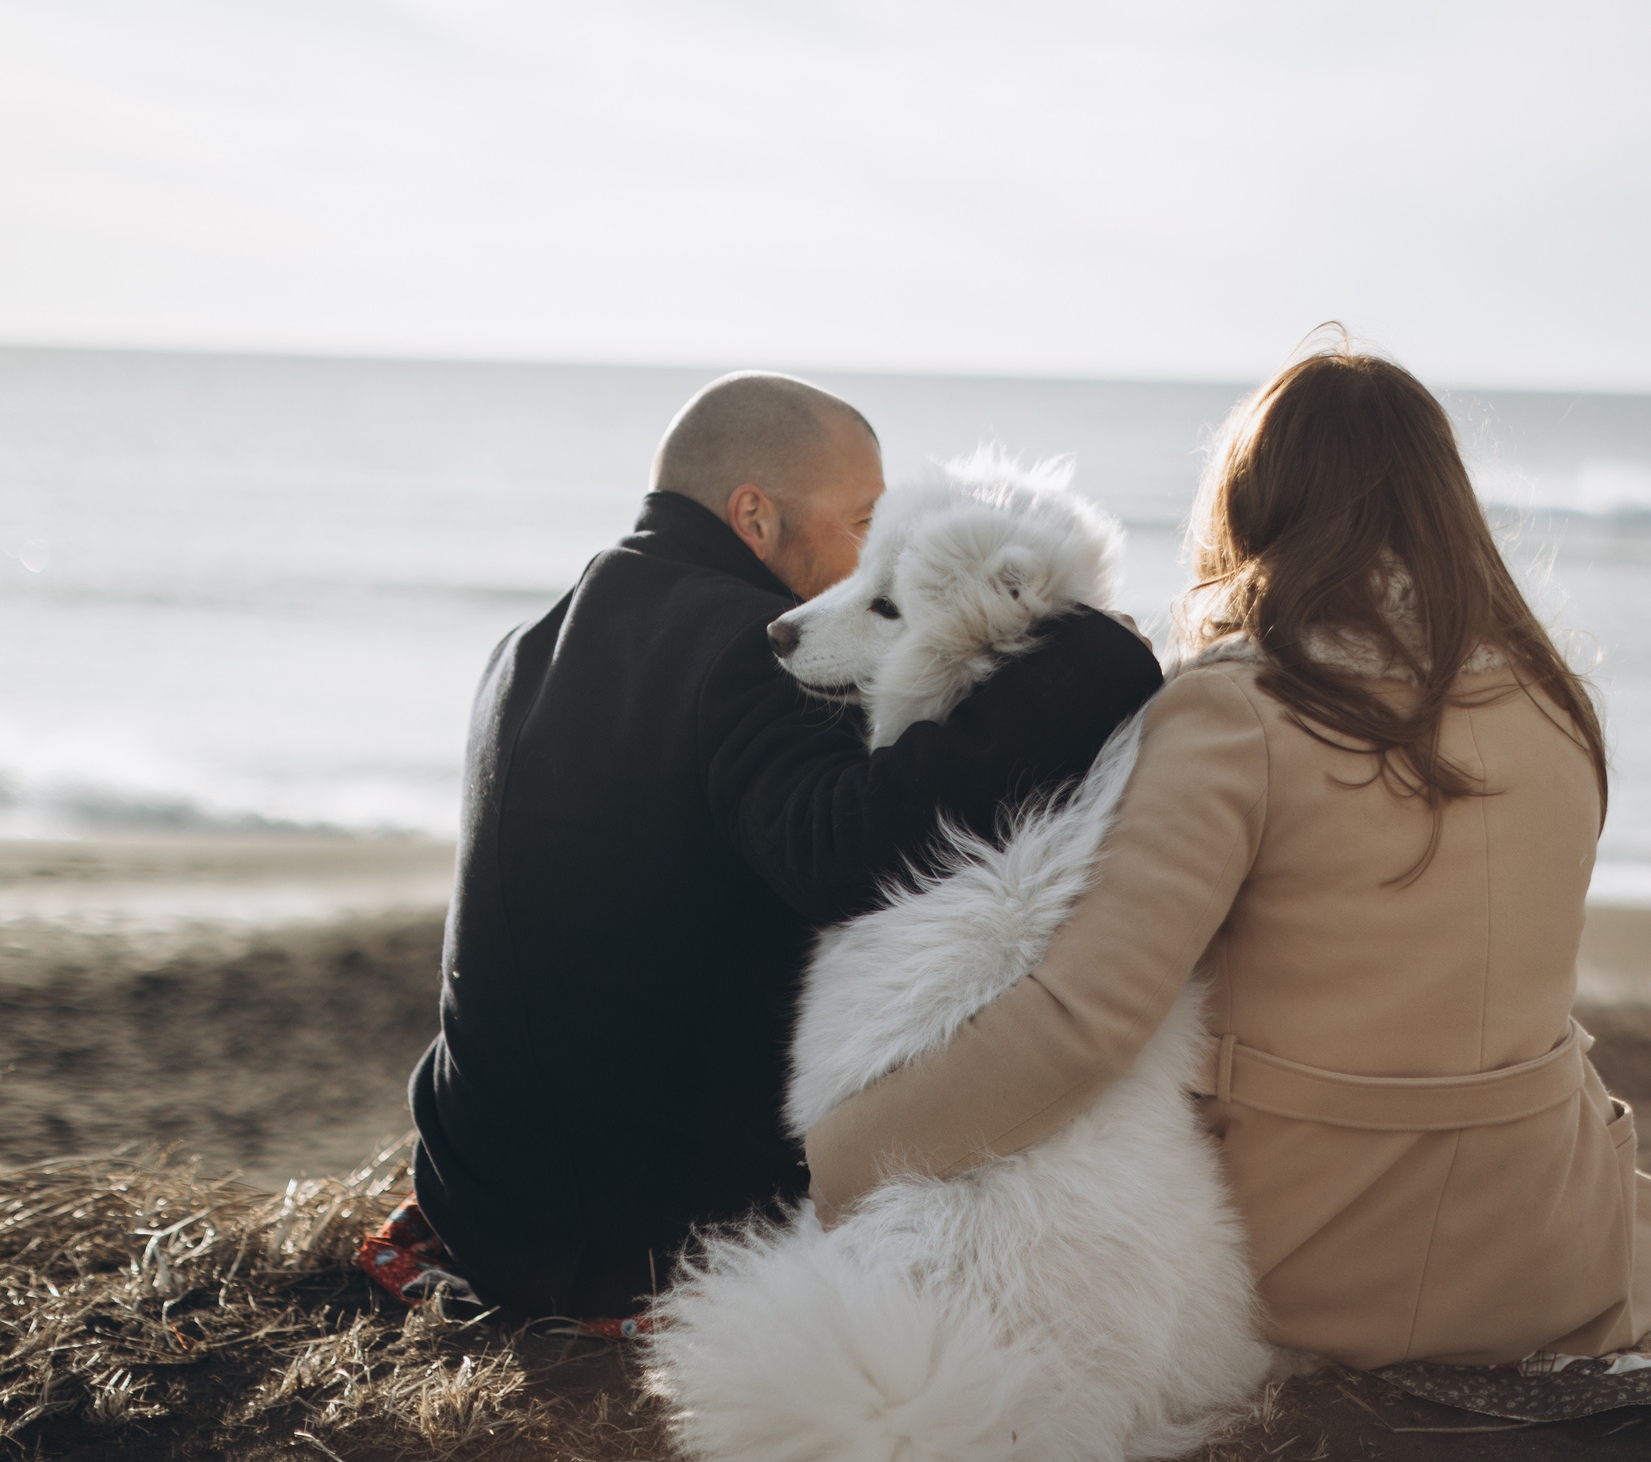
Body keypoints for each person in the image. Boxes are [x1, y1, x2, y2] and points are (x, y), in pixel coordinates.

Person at [800, 341, 1651, 1370]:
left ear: (1249, 504)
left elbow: (1080, 1023)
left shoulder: (1238, 711)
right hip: (1552, 1246)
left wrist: (838, 1162)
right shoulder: (1550, 699)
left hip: (1324, 1262)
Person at [399, 371, 1162, 1322]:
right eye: (859, 519)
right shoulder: (742, 646)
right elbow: (850, 851)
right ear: (752, 514)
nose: (873, 550)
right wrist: (1086, 655)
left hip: (480, 1195)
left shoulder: (526, 644)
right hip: (630, 1240)